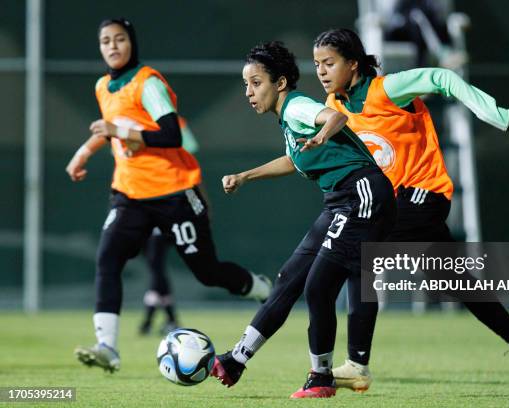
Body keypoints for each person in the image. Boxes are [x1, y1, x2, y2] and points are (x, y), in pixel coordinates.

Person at [312, 28, 509, 391]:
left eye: (329, 63)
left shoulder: (385, 89)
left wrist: (493, 113)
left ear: (352, 64)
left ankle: (357, 363)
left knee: (363, 251)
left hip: (423, 193)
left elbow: (441, 77)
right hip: (398, 202)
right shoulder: (336, 107)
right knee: (457, 282)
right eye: (317, 64)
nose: (321, 71)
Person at [65, 18, 271, 373]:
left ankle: (260, 288)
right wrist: (84, 152)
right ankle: (108, 347)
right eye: (105, 41)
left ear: (132, 42)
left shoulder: (148, 82)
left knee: (207, 271)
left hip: (174, 190)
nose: (112, 46)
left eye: (119, 39)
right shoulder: (103, 86)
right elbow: (110, 127)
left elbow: (171, 134)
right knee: (108, 258)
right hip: (129, 193)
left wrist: (116, 130)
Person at [212, 41, 396, 399]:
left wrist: (322, 133)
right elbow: (292, 160)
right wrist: (245, 176)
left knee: (319, 285)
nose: (249, 92)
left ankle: (322, 376)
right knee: (288, 279)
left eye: (256, 83)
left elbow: (335, 117)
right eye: (245, 86)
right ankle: (237, 358)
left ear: (280, 83)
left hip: (362, 193)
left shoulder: (297, 106)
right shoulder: (287, 121)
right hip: (340, 200)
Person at [138, 117, 200, 336]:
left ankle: (165, 318)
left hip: (166, 199)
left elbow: (188, 157)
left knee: (155, 263)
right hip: (136, 200)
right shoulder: (128, 120)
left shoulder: (176, 124)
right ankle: (161, 318)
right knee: (154, 265)